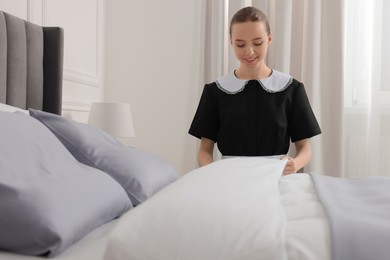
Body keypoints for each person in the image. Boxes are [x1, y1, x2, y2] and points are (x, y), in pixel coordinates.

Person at [188, 6, 321, 174]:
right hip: (230, 177)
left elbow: (305, 148)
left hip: (276, 176)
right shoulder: (215, 92)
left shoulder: (291, 89)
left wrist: (295, 164)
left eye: (257, 43)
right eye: (240, 44)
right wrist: (214, 174)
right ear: (231, 42)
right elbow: (204, 151)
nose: (249, 51)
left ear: (269, 39)